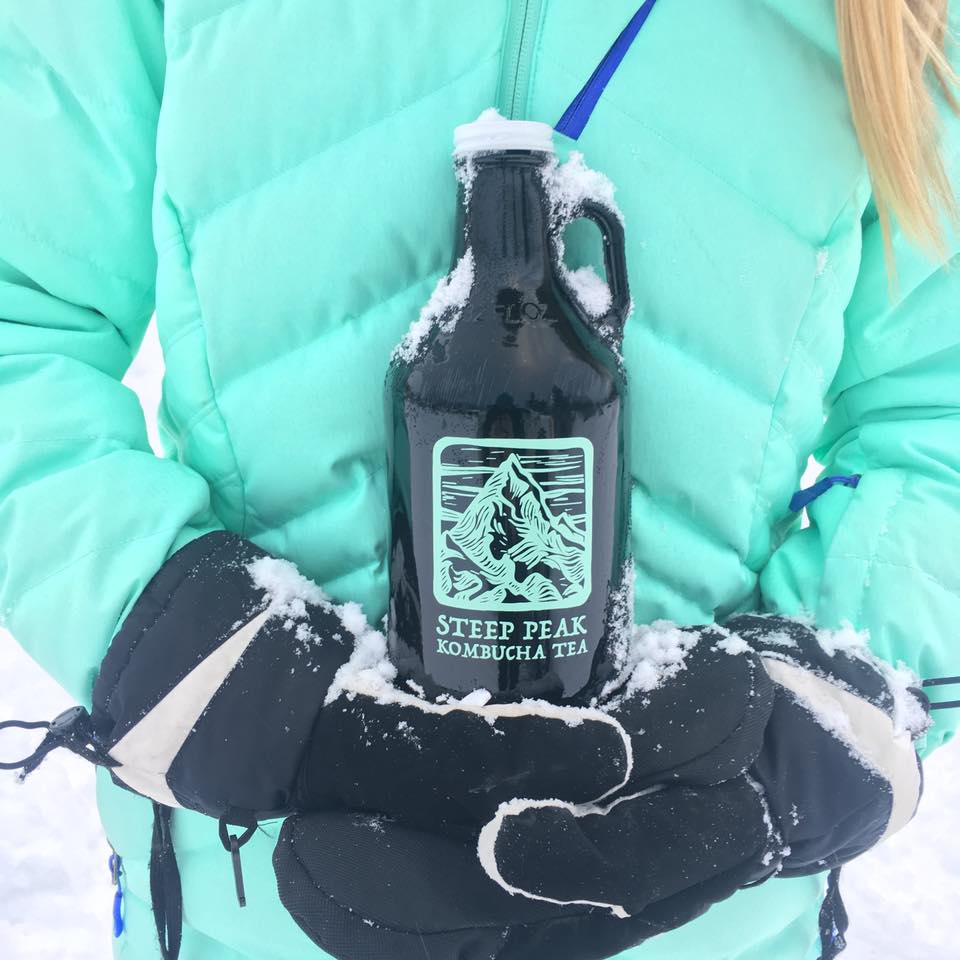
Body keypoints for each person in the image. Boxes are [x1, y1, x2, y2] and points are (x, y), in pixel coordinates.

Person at [1, 2, 958, 959]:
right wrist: (196, 654)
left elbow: (936, 414)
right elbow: (22, 318)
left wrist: (811, 725)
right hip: (252, 899)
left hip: (701, 917)